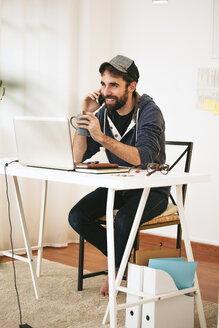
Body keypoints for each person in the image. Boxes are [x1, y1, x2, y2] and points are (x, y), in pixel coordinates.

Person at [68, 55, 169, 296]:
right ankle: (125, 265)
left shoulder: (149, 111)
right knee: (77, 216)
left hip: (152, 189)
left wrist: (102, 137)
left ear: (131, 86)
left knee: (123, 221)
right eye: (103, 84)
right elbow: (77, 158)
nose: (105, 91)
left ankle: (116, 271)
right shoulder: (104, 111)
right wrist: (85, 116)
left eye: (113, 85)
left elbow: (142, 156)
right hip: (120, 186)